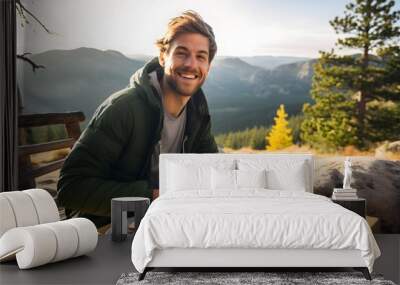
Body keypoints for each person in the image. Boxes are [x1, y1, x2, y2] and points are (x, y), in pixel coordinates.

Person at [57, 11, 219, 227]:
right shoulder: (124, 108)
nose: (191, 64)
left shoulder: (197, 112)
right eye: (181, 53)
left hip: (165, 221)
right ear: (163, 57)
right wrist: (151, 195)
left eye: (201, 56)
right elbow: (71, 189)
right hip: (107, 227)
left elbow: (212, 171)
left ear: (208, 66)